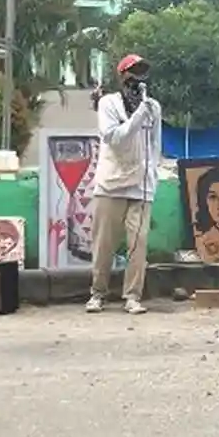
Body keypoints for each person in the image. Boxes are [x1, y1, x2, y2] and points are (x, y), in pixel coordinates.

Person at [85, 54, 162, 315]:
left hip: (141, 186)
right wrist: (138, 115)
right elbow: (114, 138)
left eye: (142, 72)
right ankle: (98, 293)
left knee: (137, 244)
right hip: (112, 183)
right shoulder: (108, 104)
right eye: (133, 73)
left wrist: (153, 175)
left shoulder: (153, 107)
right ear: (122, 76)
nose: (138, 79)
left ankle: (132, 296)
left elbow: (155, 145)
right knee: (104, 242)